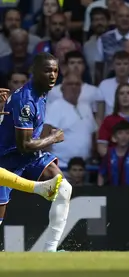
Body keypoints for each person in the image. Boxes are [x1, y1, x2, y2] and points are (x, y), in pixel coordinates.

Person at [0, 52, 73, 252]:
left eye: (55, 70)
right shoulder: (26, 100)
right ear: (34, 72)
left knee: (63, 188)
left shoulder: (42, 91)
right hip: (6, 161)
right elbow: (24, 144)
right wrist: (53, 138)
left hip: (29, 158)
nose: (52, 75)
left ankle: (50, 250)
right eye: (47, 70)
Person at [0, 88, 62, 198]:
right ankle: (37, 188)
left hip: (20, 156)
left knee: (61, 184)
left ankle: (39, 188)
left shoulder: (27, 101)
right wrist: (52, 138)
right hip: (6, 157)